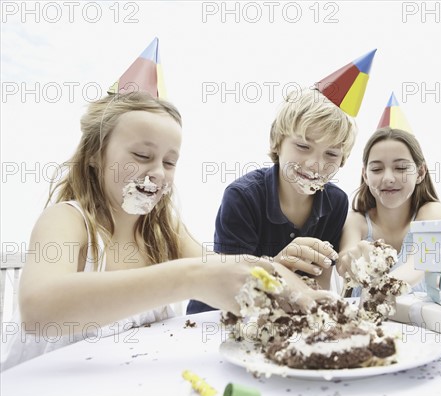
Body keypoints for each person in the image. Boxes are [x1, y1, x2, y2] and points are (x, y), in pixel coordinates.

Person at [0, 92, 326, 371]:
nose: (157, 172)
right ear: (96, 155)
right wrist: (188, 277)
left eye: (170, 163)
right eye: (142, 155)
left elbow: (220, 270)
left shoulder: (164, 231)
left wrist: (273, 271)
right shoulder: (68, 220)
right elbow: (37, 309)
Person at [186, 88, 357, 314]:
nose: (316, 164)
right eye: (303, 146)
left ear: (342, 160)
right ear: (277, 142)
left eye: (331, 154)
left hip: (287, 318)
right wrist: (276, 266)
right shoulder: (243, 197)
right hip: (215, 318)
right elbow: (231, 283)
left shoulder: (336, 202)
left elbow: (321, 278)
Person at [337, 127, 441, 295]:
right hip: (366, 320)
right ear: (365, 175)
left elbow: (418, 264)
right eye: (376, 169)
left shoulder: (432, 212)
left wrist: (380, 287)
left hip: (417, 321)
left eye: (401, 168)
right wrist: (350, 260)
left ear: (420, 172)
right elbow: (344, 263)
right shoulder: (356, 221)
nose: (388, 178)